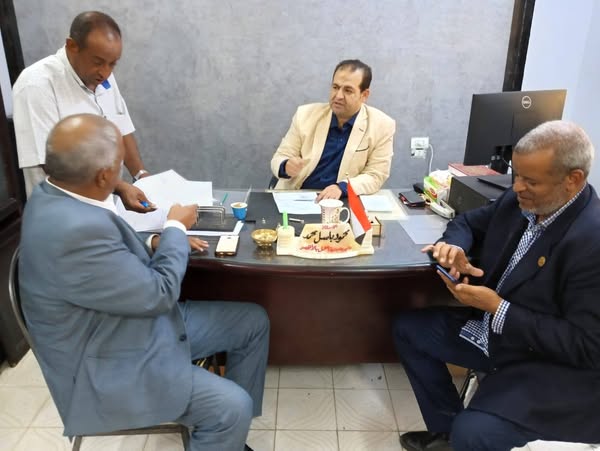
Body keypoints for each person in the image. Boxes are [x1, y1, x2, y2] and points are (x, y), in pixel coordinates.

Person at [19, 113, 269, 451]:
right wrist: (175, 227)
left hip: (126, 323)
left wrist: (153, 240)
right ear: (103, 175)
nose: (122, 175)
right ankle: (225, 425)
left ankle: (227, 440)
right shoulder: (75, 229)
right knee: (232, 406)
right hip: (111, 360)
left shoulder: (51, 195)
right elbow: (159, 294)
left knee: (252, 321)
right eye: (119, 167)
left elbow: (106, 253)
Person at [393, 120, 600, 451]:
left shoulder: (591, 242)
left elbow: (586, 345)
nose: (517, 187)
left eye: (530, 181)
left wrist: (497, 307)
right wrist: (454, 247)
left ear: (573, 180)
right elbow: (466, 222)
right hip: (491, 331)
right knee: (409, 329)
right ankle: (445, 434)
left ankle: (461, 434)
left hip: (543, 361)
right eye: (517, 175)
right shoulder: (522, 200)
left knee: (475, 432)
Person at [13, 11, 152, 212]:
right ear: (72, 46)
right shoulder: (36, 85)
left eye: (112, 64)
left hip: (105, 206)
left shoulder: (101, 76)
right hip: (64, 215)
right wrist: (120, 187)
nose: (105, 72)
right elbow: (53, 164)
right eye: (98, 62)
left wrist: (141, 175)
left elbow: (121, 126)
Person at [270, 59, 395, 202]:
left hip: (342, 200)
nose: (338, 96)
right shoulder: (305, 115)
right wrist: (285, 166)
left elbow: (376, 175)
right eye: (335, 87)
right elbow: (279, 157)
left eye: (348, 90)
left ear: (364, 95)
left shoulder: (382, 125)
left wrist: (342, 187)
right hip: (298, 196)